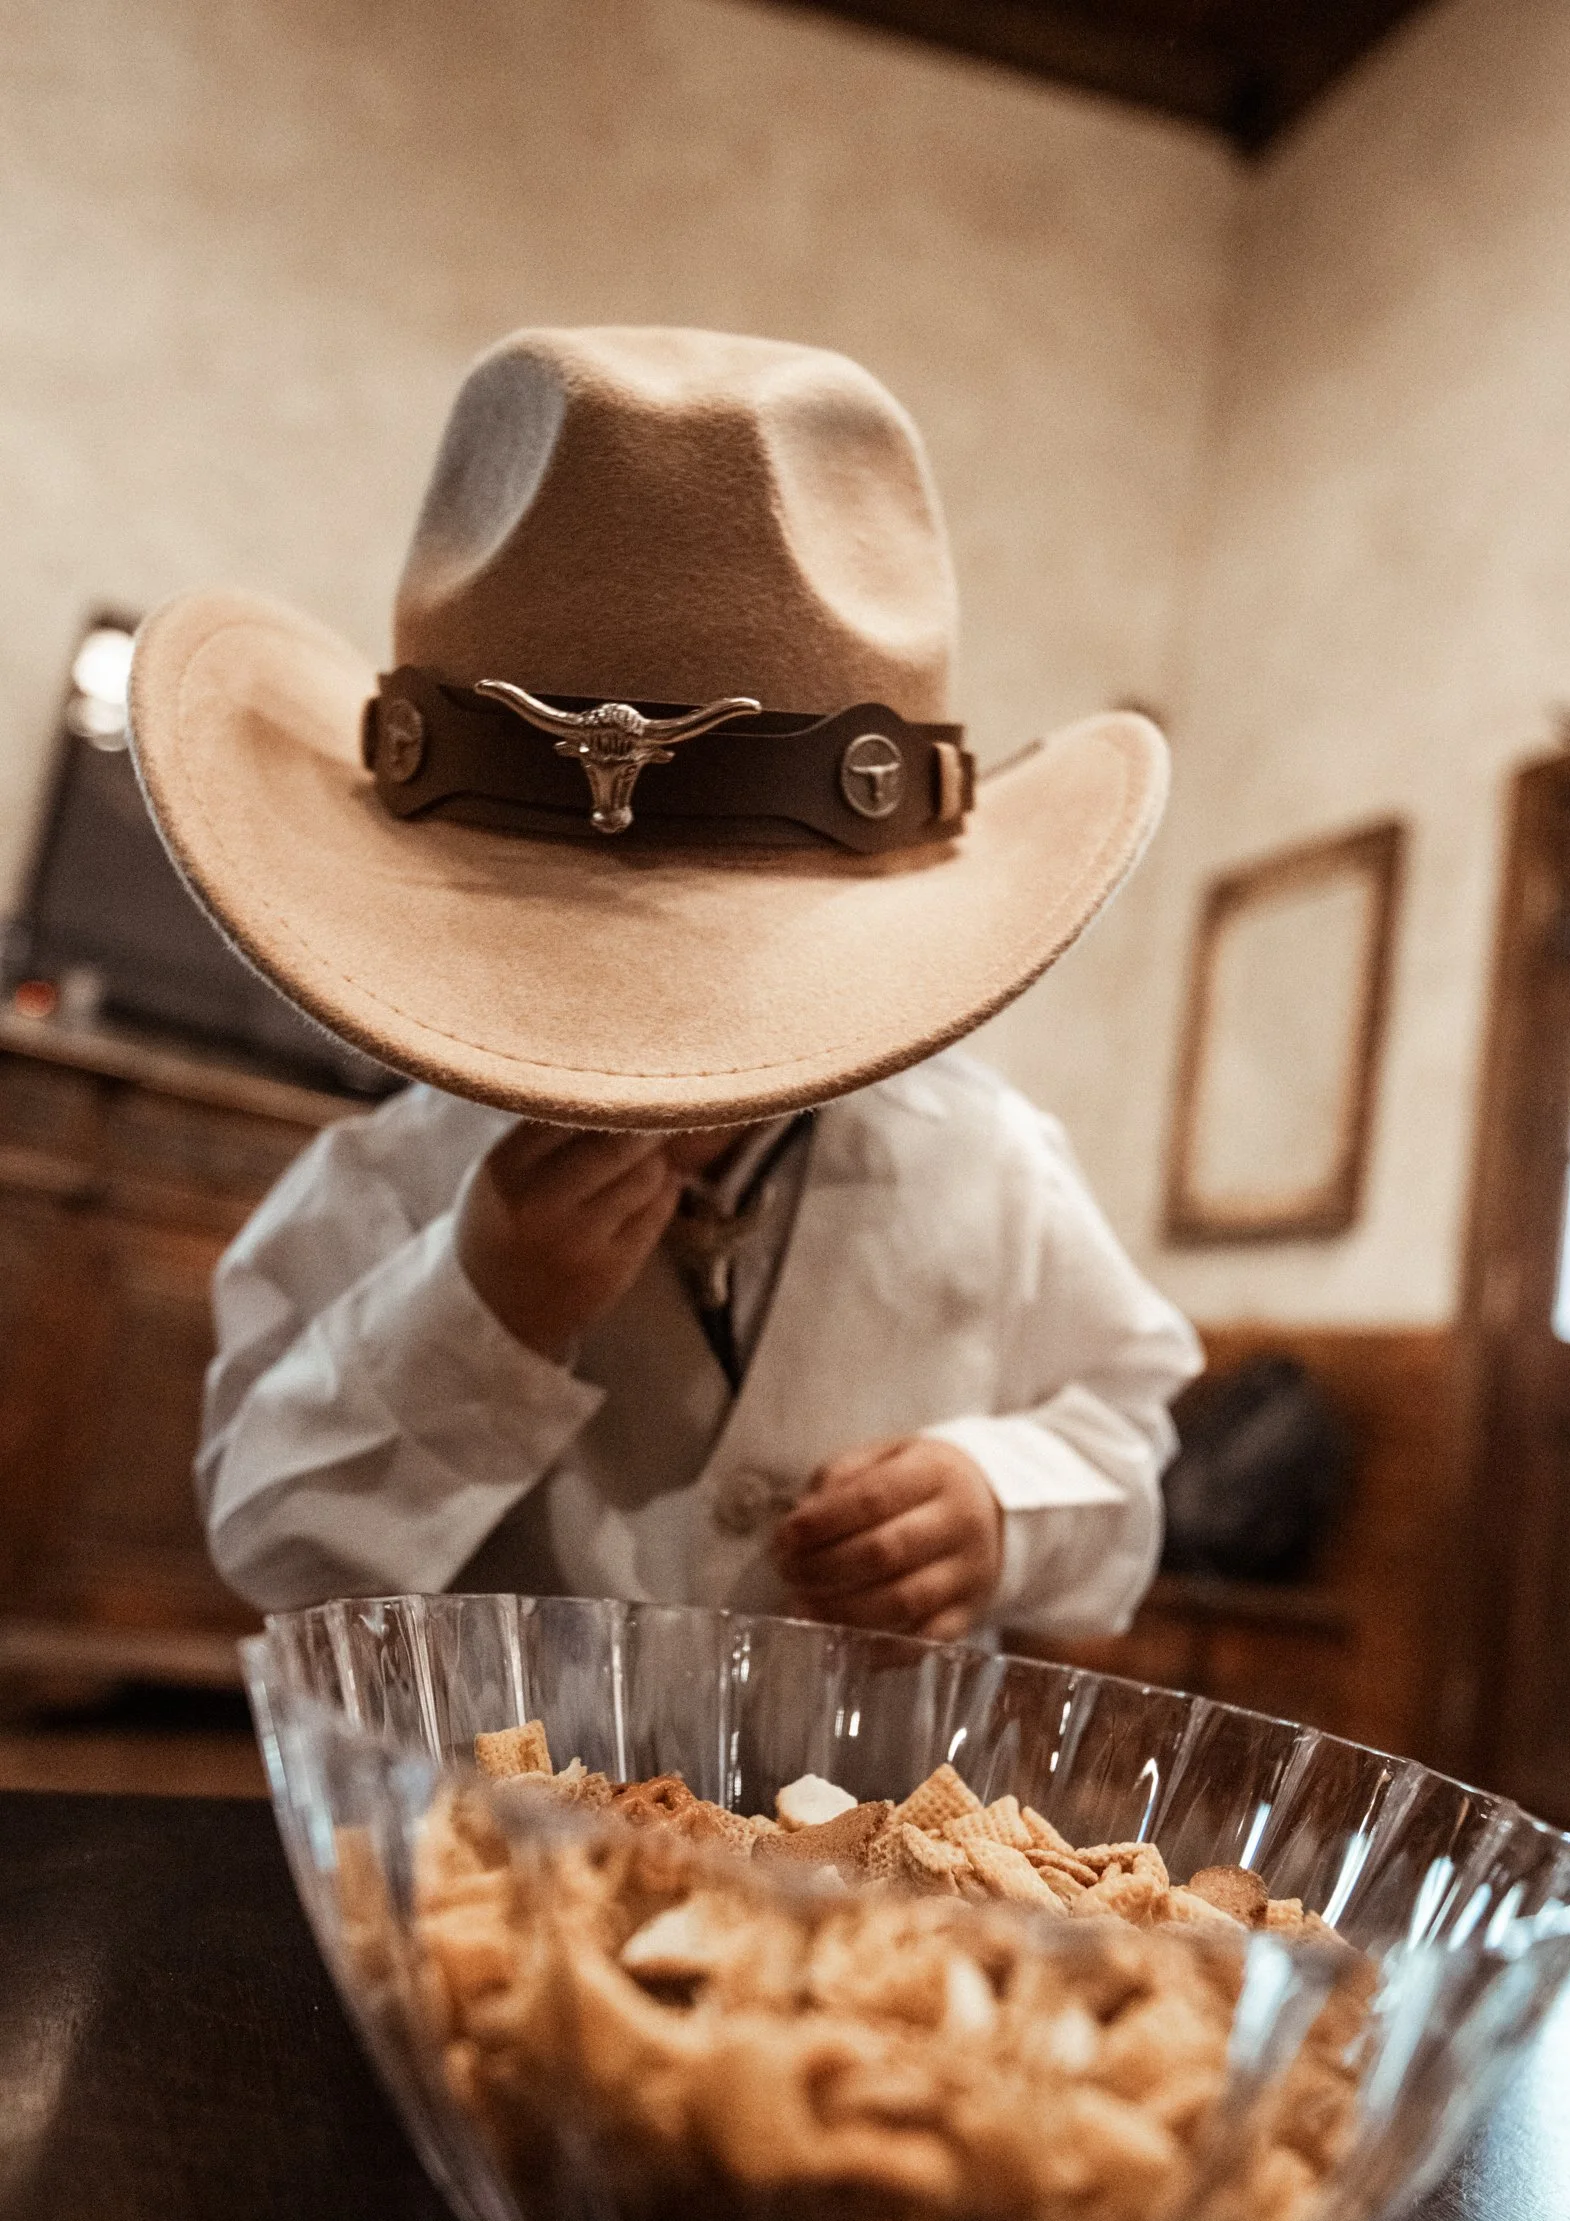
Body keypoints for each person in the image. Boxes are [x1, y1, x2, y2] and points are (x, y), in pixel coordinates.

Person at [129, 325, 1199, 1643]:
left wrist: (1001, 1505)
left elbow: (1119, 1438)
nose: (665, 1063)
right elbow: (272, 1541)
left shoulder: (993, 1166)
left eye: (727, 988)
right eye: (576, 984)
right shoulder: (387, 1185)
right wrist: (477, 1313)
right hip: (493, 1835)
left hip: (855, 1831)